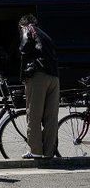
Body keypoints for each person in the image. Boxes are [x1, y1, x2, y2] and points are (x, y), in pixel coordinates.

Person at [19, 14, 61, 159]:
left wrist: (22, 76)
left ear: (23, 25)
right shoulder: (45, 35)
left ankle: (36, 151)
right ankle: (49, 152)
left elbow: (24, 48)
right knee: (51, 117)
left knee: (34, 115)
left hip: (39, 76)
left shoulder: (27, 29)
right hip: (54, 77)